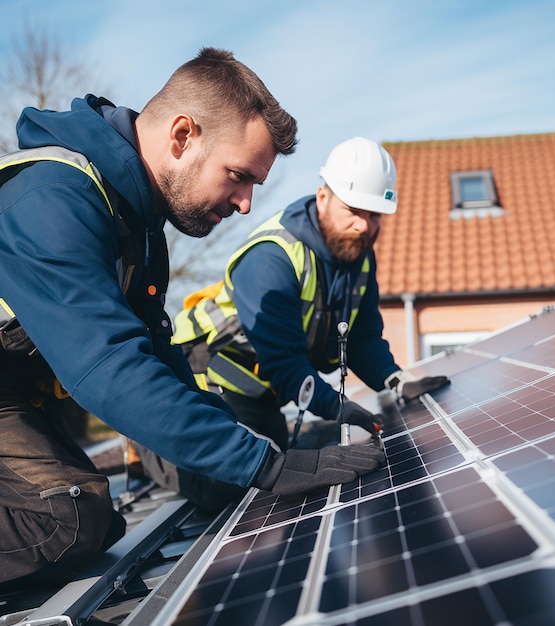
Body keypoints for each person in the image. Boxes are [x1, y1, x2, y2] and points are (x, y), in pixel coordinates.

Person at [0, 49, 385, 588]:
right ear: (182, 136)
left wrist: (248, 450)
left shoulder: (138, 224)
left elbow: (159, 355)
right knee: (67, 520)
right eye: (238, 176)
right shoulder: (54, 200)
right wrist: (267, 466)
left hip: (14, 395)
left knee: (106, 509)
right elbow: (110, 366)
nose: (248, 204)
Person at [170, 137, 450, 453]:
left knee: (279, 463)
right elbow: (285, 364)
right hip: (204, 379)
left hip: (264, 389)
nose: (364, 226)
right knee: (234, 483)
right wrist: (334, 406)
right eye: (354, 210)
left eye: (375, 215)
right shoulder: (272, 259)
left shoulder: (357, 256)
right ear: (322, 198)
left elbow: (362, 339)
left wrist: (396, 381)